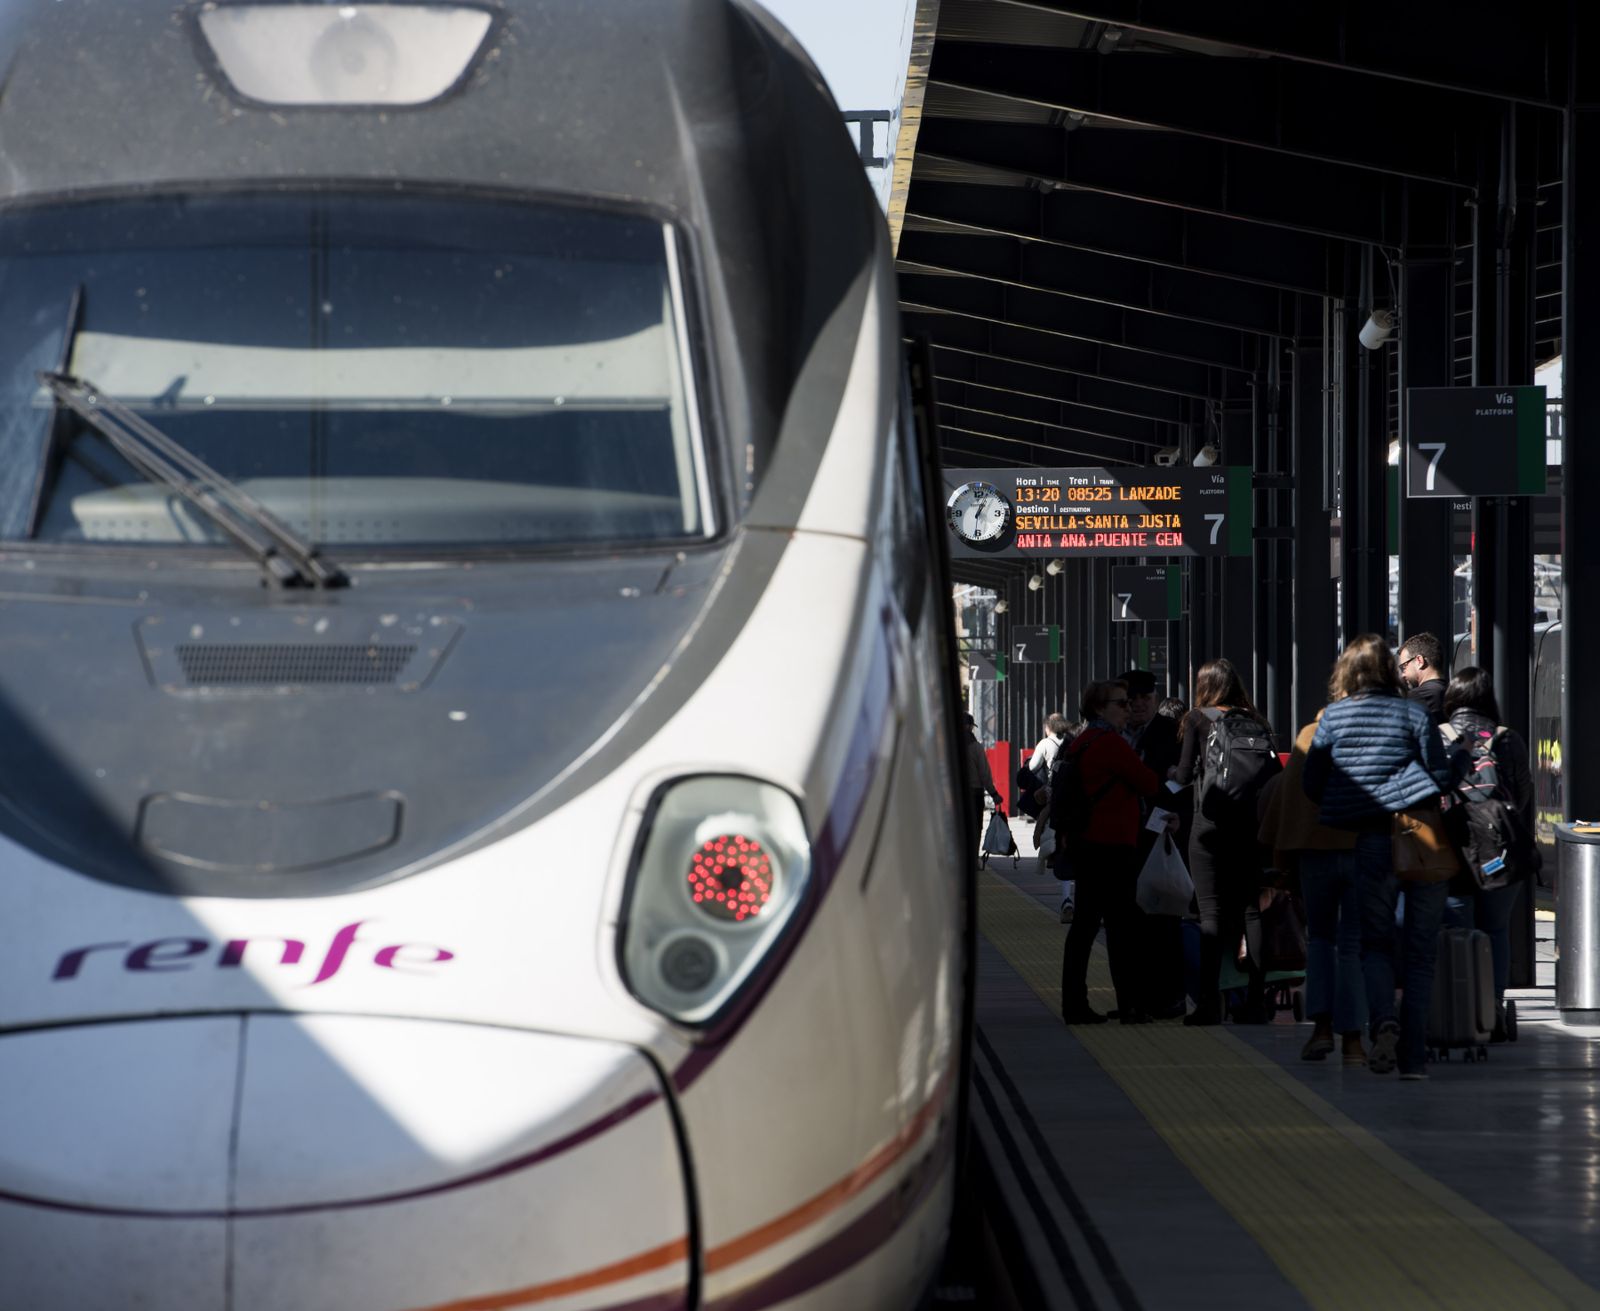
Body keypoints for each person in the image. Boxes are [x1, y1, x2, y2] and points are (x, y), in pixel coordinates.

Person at [1303, 635, 1454, 1079]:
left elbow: (1313, 783)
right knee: (1422, 952)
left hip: (1368, 841)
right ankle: (1413, 1058)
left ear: (1346, 673)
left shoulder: (1332, 718)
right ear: (1392, 670)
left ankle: (1383, 1017)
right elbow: (1438, 776)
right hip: (1419, 840)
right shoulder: (1412, 713)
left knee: (1374, 943)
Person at [1260, 707, 1365, 1065]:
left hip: (1314, 856)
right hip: (1361, 852)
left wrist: (1281, 864)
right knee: (1352, 944)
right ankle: (1353, 1040)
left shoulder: (1309, 735)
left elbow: (1287, 802)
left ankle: (1321, 1029)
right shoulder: (1372, 735)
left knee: (1320, 939)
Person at [1439, 667, 1539, 1039]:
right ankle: (1494, 1010)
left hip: (1455, 852)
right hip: (1499, 851)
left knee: (1459, 930)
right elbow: (1523, 792)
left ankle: (1462, 1008)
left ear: (1453, 699)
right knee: (1496, 930)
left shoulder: (1441, 736)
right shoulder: (1506, 738)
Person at [1173, 658, 1274, 1026]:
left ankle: (1208, 1003)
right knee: (1251, 910)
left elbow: (1183, 774)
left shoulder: (1197, 719)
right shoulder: (1256, 721)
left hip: (1210, 825)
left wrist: (1168, 775)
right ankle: (1257, 1002)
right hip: (1250, 828)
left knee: (1210, 912)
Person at [1055, 680, 1160, 1025]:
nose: (1128, 709)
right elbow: (1148, 782)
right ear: (1100, 708)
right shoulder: (1111, 744)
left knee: (1085, 926)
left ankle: (1075, 1002)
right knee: (1121, 928)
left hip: (1087, 843)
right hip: (1112, 845)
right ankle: (1130, 1004)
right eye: (1121, 704)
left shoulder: (1080, 742)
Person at [1118, 668, 1185, 1018]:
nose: (1139, 704)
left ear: (1156, 699)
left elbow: (1183, 780)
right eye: (1132, 699)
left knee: (1162, 918)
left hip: (1157, 835)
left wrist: (1174, 816)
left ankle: (1169, 995)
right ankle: (1137, 997)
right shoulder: (1114, 734)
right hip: (1121, 837)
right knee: (1130, 921)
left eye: (1146, 697)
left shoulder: (1169, 733)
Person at [1026, 713, 1073, 921]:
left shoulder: (1045, 743)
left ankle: (1066, 900)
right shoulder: (1071, 741)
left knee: (1063, 855)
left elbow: (1032, 767)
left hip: (1057, 799)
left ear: (1048, 727)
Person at [964, 712, 1003, 854]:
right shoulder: (976, 747)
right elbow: (984, 774)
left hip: (954, 794)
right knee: (975, 827)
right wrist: (994, 794)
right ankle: (973, 858)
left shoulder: (948, 745)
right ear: (969, 727)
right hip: (974, 793)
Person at [1398, 632, 1448, 725]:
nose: (1403, 675)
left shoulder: (1416, 697)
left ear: (1419, 661)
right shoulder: (1453, 693)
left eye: (1404, 667)